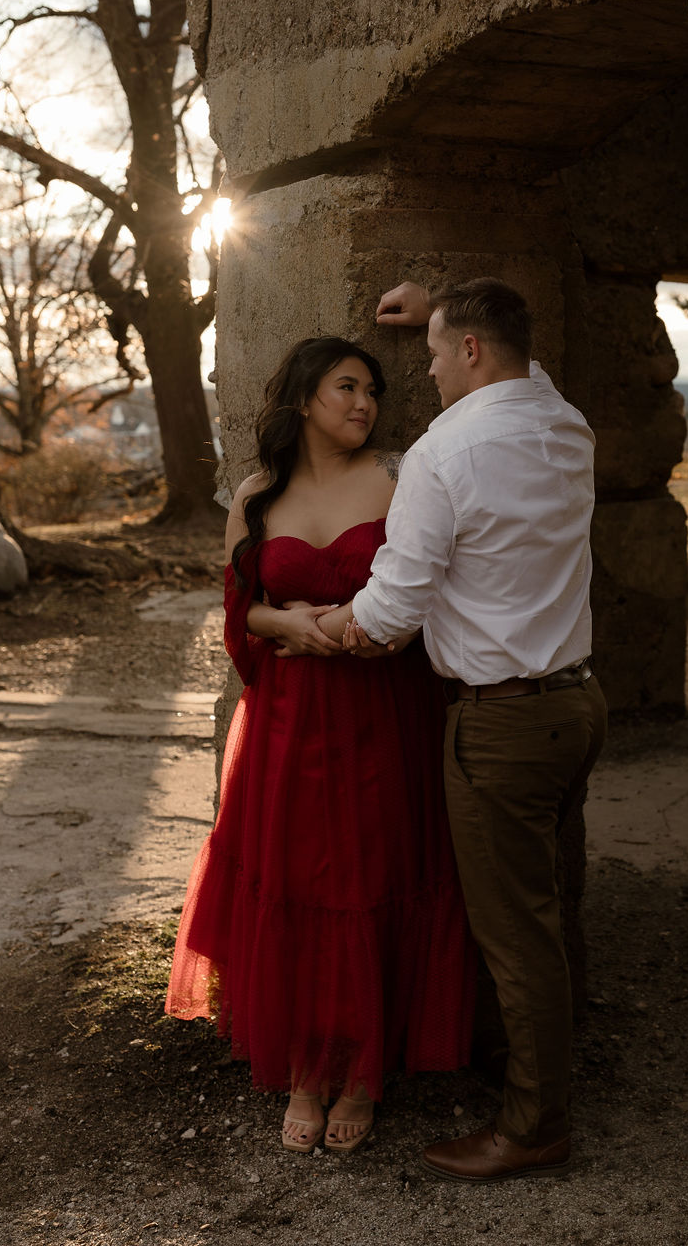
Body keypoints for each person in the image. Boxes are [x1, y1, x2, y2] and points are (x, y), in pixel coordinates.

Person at [315, 279, 607, 1182]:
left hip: (504, 726)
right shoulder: (564, 421)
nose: (429, 370)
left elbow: (393, 608)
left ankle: (534, 1126)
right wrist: (445, 305)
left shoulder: (444, 452)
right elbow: (522, 364)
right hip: (577, 705)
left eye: (439, 353)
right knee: (549, 903)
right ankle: (536, 1064)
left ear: (472, 351)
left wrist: (315, 629)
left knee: (514, 932)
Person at [165, 336, 475, 1156]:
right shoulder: (258, 494)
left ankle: (364, 1072)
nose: (364, 404)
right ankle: (306, 1066)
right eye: (346, 387)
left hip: (384, 709)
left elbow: (433, 593)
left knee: (376, 874)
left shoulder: (400, 480)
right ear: (304, 397)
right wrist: (284, 621)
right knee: (299, 881)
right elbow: (240, 610)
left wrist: (346, 632)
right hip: (289, 719)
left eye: (372, 390)